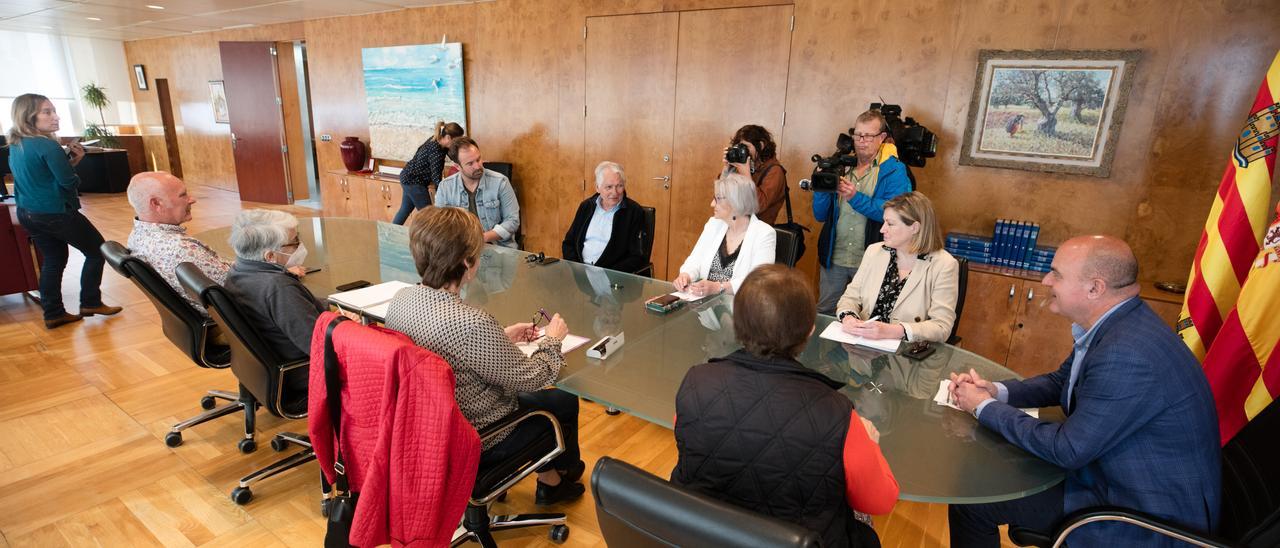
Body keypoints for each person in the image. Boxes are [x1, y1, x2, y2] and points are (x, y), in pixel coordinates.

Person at [947, 236, 1221, 547]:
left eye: (1056, 274)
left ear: (1095, 288)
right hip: (1111, 476)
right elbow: (1060, 381)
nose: (1046, 279)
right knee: (991, 467)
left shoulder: (1126, 352)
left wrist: (982, 407)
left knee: (971, 501)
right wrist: (995, 391)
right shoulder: (1121, 324)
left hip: (1137, 514)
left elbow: (1068, 449)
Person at [671, 265, 899, 547]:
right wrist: (872, 444)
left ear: (736, 325)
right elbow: (880, 500)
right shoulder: (839, 414)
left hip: (702, 535)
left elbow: (687, 442)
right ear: (810, 331)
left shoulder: (696, 381)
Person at [385, 206, 586, 505]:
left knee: (562, 401)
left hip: (429, 429)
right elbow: (533, 378)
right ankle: (555, 482)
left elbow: (445, 350)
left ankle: (557, 477)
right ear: (468, 262)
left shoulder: (402, 300)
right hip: (482, 435)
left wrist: (501, 336)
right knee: (558, 407)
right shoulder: (471, 322)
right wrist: (553, 340)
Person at [7, 93, 122, 329]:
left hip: (28, 212)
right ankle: (90, 302)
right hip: (55, 212)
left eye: (53, 111)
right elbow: (68, 183)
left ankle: (54, 313)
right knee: (97, 250)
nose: (55, 116)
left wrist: (68, 162)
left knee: (53, 259)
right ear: (29, 117)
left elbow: (42, 176)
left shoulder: (17, 144)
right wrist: (73, 164)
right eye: (47, 112)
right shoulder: (47, 145)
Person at [813, 109, 912, 315]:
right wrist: (821, 185)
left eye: (869, 135)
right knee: (825, 314)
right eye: (857, 134)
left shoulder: (894, 170)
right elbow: (820, 215)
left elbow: (897, 215)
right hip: (835, 258)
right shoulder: (840, 166)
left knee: (868, 316)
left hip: (873, 261)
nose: (861, 140)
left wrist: (854, 197)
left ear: (882, 138)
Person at [835, 191, 958, 343]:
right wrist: (848, 318)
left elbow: (941, 327)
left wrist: (892, 331)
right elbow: (851, 297)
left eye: (890, 224)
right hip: (862, 350)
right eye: (884, 222)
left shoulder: (944, 264)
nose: (882, 229)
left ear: (915, 228)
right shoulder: (875, 251)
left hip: (908, 358)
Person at [223, 209, 321, 398]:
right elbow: (317, 344)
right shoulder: (278, 288)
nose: (301, 246)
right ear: (270, 256)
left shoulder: (238, 272)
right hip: (302, 370)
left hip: (268, 367)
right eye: (295, 243)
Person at [126, 171, 230, 314]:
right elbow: (237, 286)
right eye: (183, 195)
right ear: (156, 203)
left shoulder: (138, 235)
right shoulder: (180, 249)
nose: (192, 199)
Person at [672, 173, 776, 297]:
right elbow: (695, 259)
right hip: (705, 306)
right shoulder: (714, 224)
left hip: (741, 307)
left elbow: (759, 281)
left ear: (735, 202)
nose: (712, 204)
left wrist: (718, 287)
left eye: (717, 199)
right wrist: (686, 275)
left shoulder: (764, 234)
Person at [561, 161, 649, 273]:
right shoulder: (586, 207)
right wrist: (577, 269)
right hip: (580, 275)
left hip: (612, 278)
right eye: (609, 187)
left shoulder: (634, 212)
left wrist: (606, 274)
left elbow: (637, 256)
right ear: (597, 187)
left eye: (619, 186)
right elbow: (569, 243)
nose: (615, 192)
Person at [435, 137, 521, 248]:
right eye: (470, 163)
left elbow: (512, 221)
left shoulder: (501, 182)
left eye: (478, 159)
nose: (478, 166)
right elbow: (440, 224)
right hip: (461, 249)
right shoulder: (445, 187)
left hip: (498, 247)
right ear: (457, 166)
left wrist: (482, 238)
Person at [392, 121, 465, 225]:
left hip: (407, 176)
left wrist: (466, 161)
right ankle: (427, 240)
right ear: (448, 137)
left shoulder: (436, 139)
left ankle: (389, 233)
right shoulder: (436, 151)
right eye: (457, 141)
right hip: (414, 182)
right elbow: (436, 178)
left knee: (404, 210)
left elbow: (452, 155)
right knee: (429, 217)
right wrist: (443, 195)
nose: (458, 144)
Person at [724, 124, 787, 225]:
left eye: (746, 147)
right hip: (736, 226)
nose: (743, 151)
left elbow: (759, 206)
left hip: (757, 232)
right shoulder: (745, 165)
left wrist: (746, 174)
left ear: (761, 145)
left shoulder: (775, 171)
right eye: (739, 146)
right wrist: (727, 169)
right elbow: (722, 196)